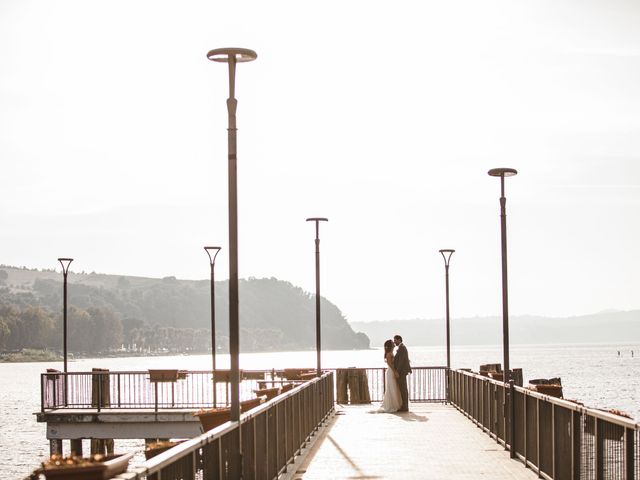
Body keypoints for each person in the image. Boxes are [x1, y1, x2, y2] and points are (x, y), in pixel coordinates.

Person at [380, 339, 402, 412]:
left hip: (391, 371)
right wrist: (395, 371)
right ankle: (392, 405)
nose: (394, 343)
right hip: (391, 372)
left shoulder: (391, 352)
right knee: (392, 388)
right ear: (390, 345)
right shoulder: (389, 353)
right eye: (393, 343)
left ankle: (395, 404)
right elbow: (389, 364)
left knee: (394, 387)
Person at [393, 334, 412, 412]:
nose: (394, 342)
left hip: (402, 372)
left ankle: (405, 406)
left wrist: (397, 371)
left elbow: (401, 361)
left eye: (395, 340)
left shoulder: (402, 348)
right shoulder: (401, 348)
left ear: (399, 340)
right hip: (402, 371)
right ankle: (404, 405)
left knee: (403, 389)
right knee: (403, 389)